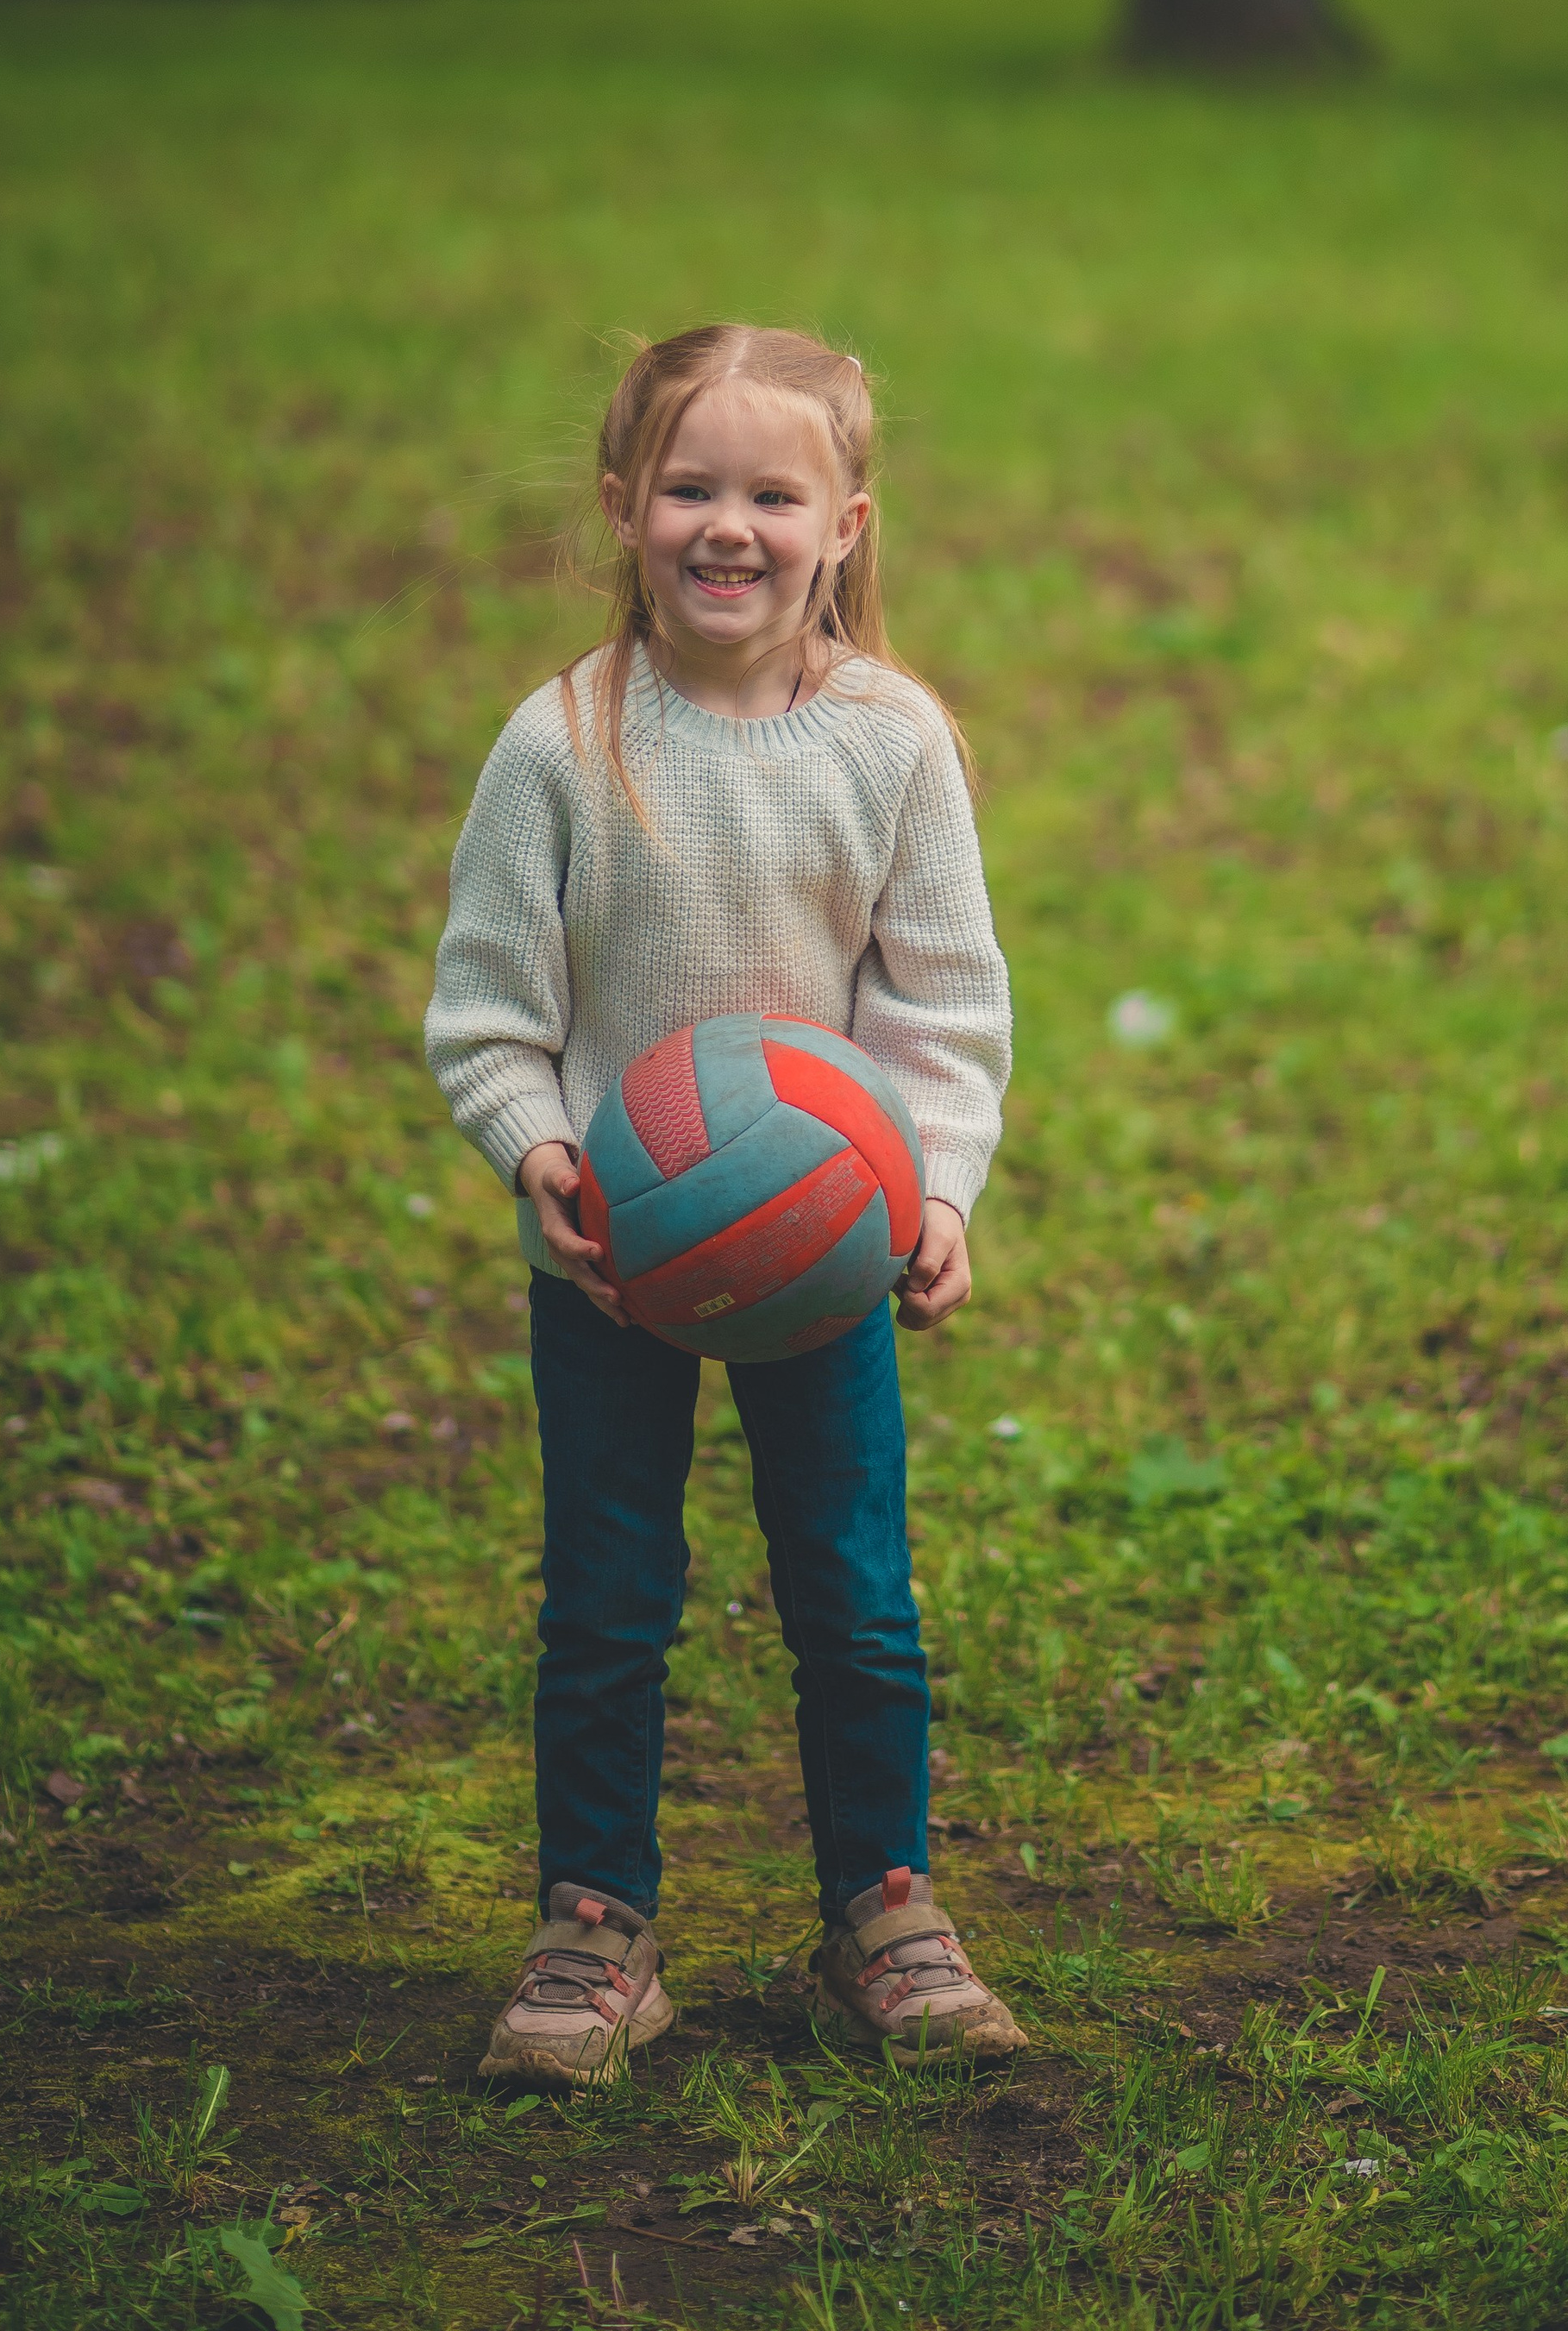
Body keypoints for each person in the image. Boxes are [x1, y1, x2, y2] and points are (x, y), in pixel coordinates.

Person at [425, 324, 1023, 2088]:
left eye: (771, 493)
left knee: (850, 1589)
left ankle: (886, 1906)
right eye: (690, 486)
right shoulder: (561, 744)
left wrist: (933, 1187)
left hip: (820, 1254)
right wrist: (536, 1144)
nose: (727, 526)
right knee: (609, 1593)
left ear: (845, 520)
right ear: (621, 506)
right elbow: (487, 1006)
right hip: (614, 1259)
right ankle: (594, 1925)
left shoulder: (893, 743)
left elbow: (941, 1005)